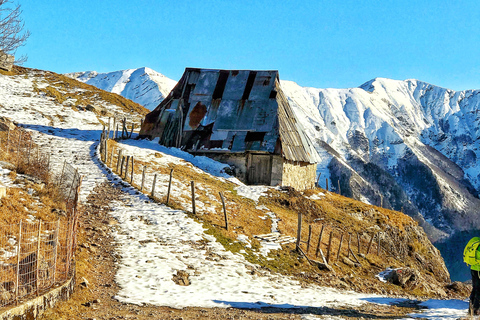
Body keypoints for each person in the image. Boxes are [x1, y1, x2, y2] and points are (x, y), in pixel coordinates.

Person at [464, 237, 480, 315]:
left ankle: (471, 310)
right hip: (479, 269)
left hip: (473, 268)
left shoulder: (477, 243)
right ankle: (476, 311)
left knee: (475, 289)